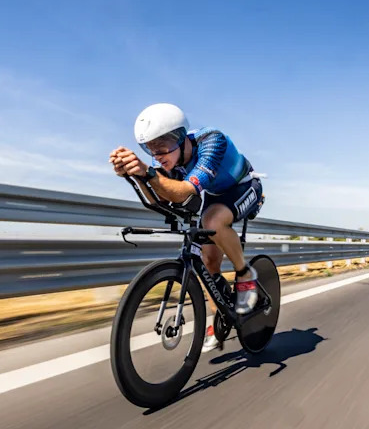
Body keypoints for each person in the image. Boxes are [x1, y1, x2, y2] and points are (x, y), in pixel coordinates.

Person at [110, 103, 264, 352]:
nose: (158, 156)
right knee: (206, 261)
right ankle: (218, 318)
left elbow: (183, 193)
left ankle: (245, 274)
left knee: (212, 222)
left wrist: (147, 172)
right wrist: (136, 175)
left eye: (161, 149)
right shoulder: (172, 159)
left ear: (181, 138)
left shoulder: (212, 142)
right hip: (215, 196)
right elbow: (159, 198)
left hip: (244, 187)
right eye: (150, 151)